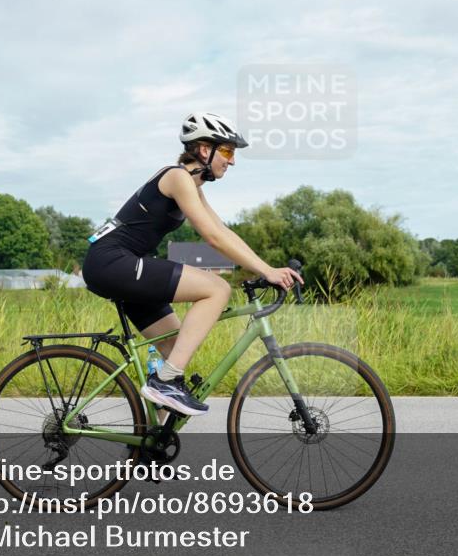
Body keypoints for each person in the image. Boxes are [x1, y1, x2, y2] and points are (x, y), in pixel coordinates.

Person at [82, 112, 304, 417]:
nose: (232, 161)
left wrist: (267, 268)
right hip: (112, 261)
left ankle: (154, 438)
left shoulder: (192, 186)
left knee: (175, 350)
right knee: (217, 289)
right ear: (204, 149)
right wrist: (266, 272)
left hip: (122, 264)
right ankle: (164, 384)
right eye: (227, 151)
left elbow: (223, 231)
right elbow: (212, 237)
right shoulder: (178, 178)